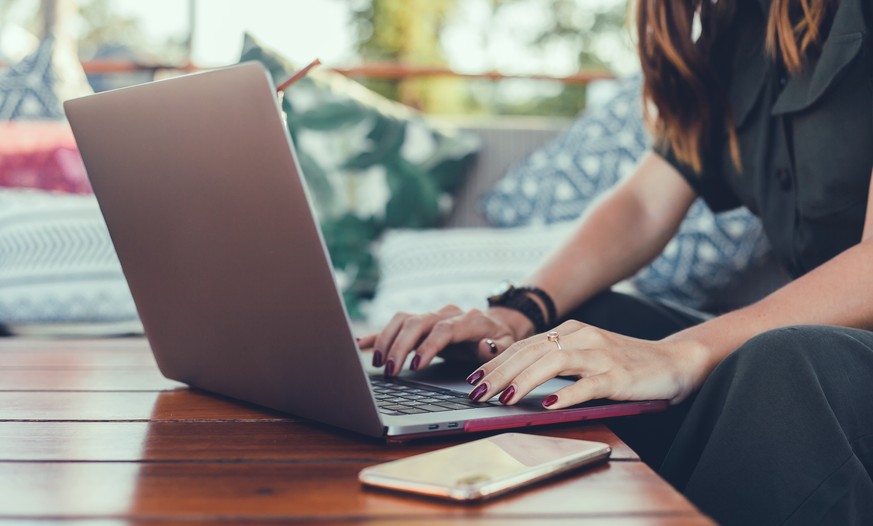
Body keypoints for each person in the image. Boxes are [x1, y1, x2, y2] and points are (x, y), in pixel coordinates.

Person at [360, 0, 873, 523]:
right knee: (593, 325)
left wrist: (680, 356)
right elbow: (645, 203)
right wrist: (518, 316)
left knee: (784, 368)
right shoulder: (735, 30)